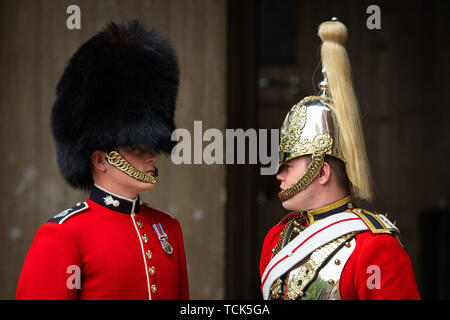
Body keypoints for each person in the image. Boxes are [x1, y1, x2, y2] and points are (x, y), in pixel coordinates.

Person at [16, 21, 189, 300]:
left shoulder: (168, 229)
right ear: (100, 159)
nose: (150, 155)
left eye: (151, 145)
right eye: (136, 147)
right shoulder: (65, 235)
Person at [259, 18, 420, 300]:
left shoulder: (374, 248)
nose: (279, 175)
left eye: (288, 165)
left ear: (321, 172)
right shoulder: (277, 239)